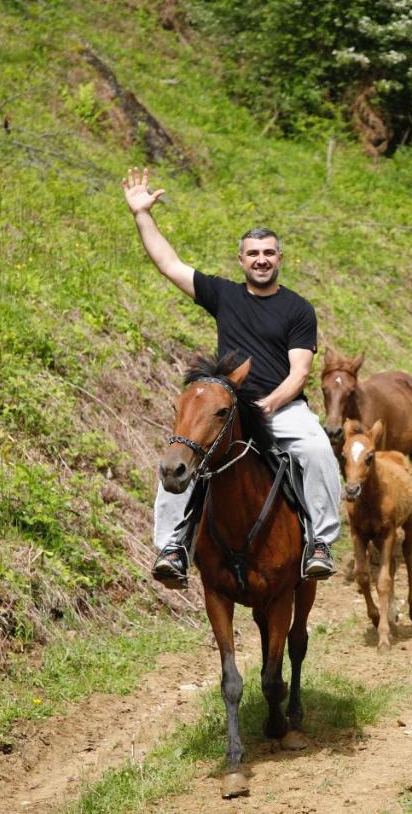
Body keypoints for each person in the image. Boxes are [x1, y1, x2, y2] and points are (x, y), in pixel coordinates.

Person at [121, 167, 340, 585]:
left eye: (269, 253)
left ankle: (320, 542)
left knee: (315, 449)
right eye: (253, 253)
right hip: (227, 410)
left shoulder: (298, 309)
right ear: (241, 260)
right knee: (179, 456)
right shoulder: (224, 295)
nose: (261, 259)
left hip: (280, 409)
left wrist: (269, 403)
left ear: (279, 259)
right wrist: (141, 215)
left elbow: (300, 373)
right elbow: (169, 264)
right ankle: (172, 547)